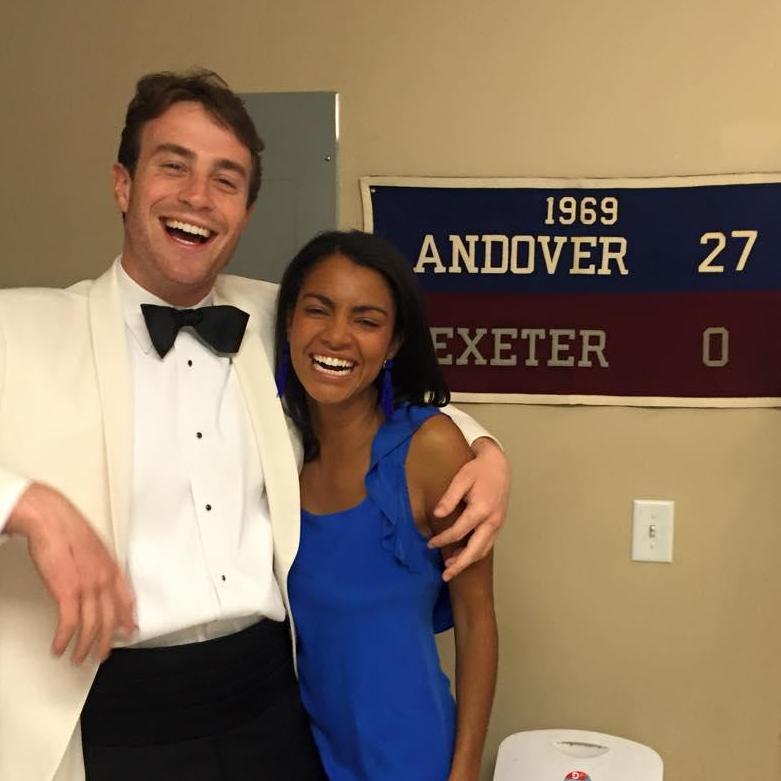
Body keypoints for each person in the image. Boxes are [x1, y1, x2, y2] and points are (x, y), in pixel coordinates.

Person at [0, 69, 509, 780]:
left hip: (274, 699)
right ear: (122, 184)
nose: (197, 197)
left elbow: (376, 375)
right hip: (116, 710)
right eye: (173, 165)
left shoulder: (284, 315)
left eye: (226, 180)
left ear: (244, 211)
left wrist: (485, 449)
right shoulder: (19, 327)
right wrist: (27, 504)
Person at [276, 230, 498, 781]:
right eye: (318, 309)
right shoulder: (278, 452)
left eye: (366, 320)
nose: (336, 336)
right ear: (289, 322)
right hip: (302, 754)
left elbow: (476, 620)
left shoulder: (429, 448)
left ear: (394, 343)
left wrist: (465, 770)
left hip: (409, 757)